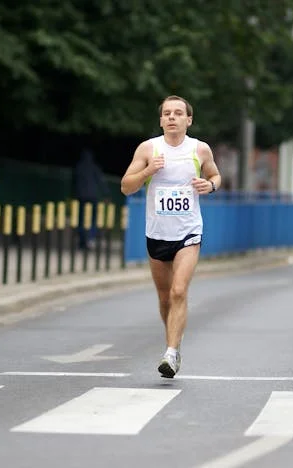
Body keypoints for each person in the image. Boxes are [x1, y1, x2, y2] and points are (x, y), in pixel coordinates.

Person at [120, 95, 221, 378]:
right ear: (161, 119)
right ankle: (174, 342)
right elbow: (126, 187)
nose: (172, 117)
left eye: (178, 113)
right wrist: (148, 170)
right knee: (165, 298)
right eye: (167, 113)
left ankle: (171, 353)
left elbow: (216, 175)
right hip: (156, 233)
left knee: (179, 290)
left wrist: (209, 185)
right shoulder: (148, 148)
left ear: (189, 120)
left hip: (188, 232)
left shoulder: (199, 149)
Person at [72, 149, 108, 250]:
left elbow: (74, 183)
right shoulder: (94, 167)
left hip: (81, 196)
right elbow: (101, 181)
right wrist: (106, 194)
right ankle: (91, 237)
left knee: (81, 218)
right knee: (93, 218)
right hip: (93, 196)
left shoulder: (78, 167)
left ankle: (82, 240)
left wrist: (73, 195)